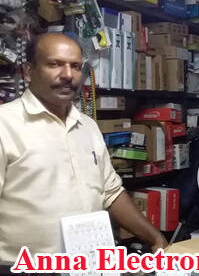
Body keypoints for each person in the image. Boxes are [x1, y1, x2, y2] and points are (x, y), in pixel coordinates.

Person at [0, 33, 168, 263]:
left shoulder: (87, 126)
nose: (68, 75)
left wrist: (154, 237)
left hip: (89, 270)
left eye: (76, 66)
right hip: (23, 275)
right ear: (28, 71)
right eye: (54, 64)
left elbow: (110, 192)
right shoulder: (5, 124)